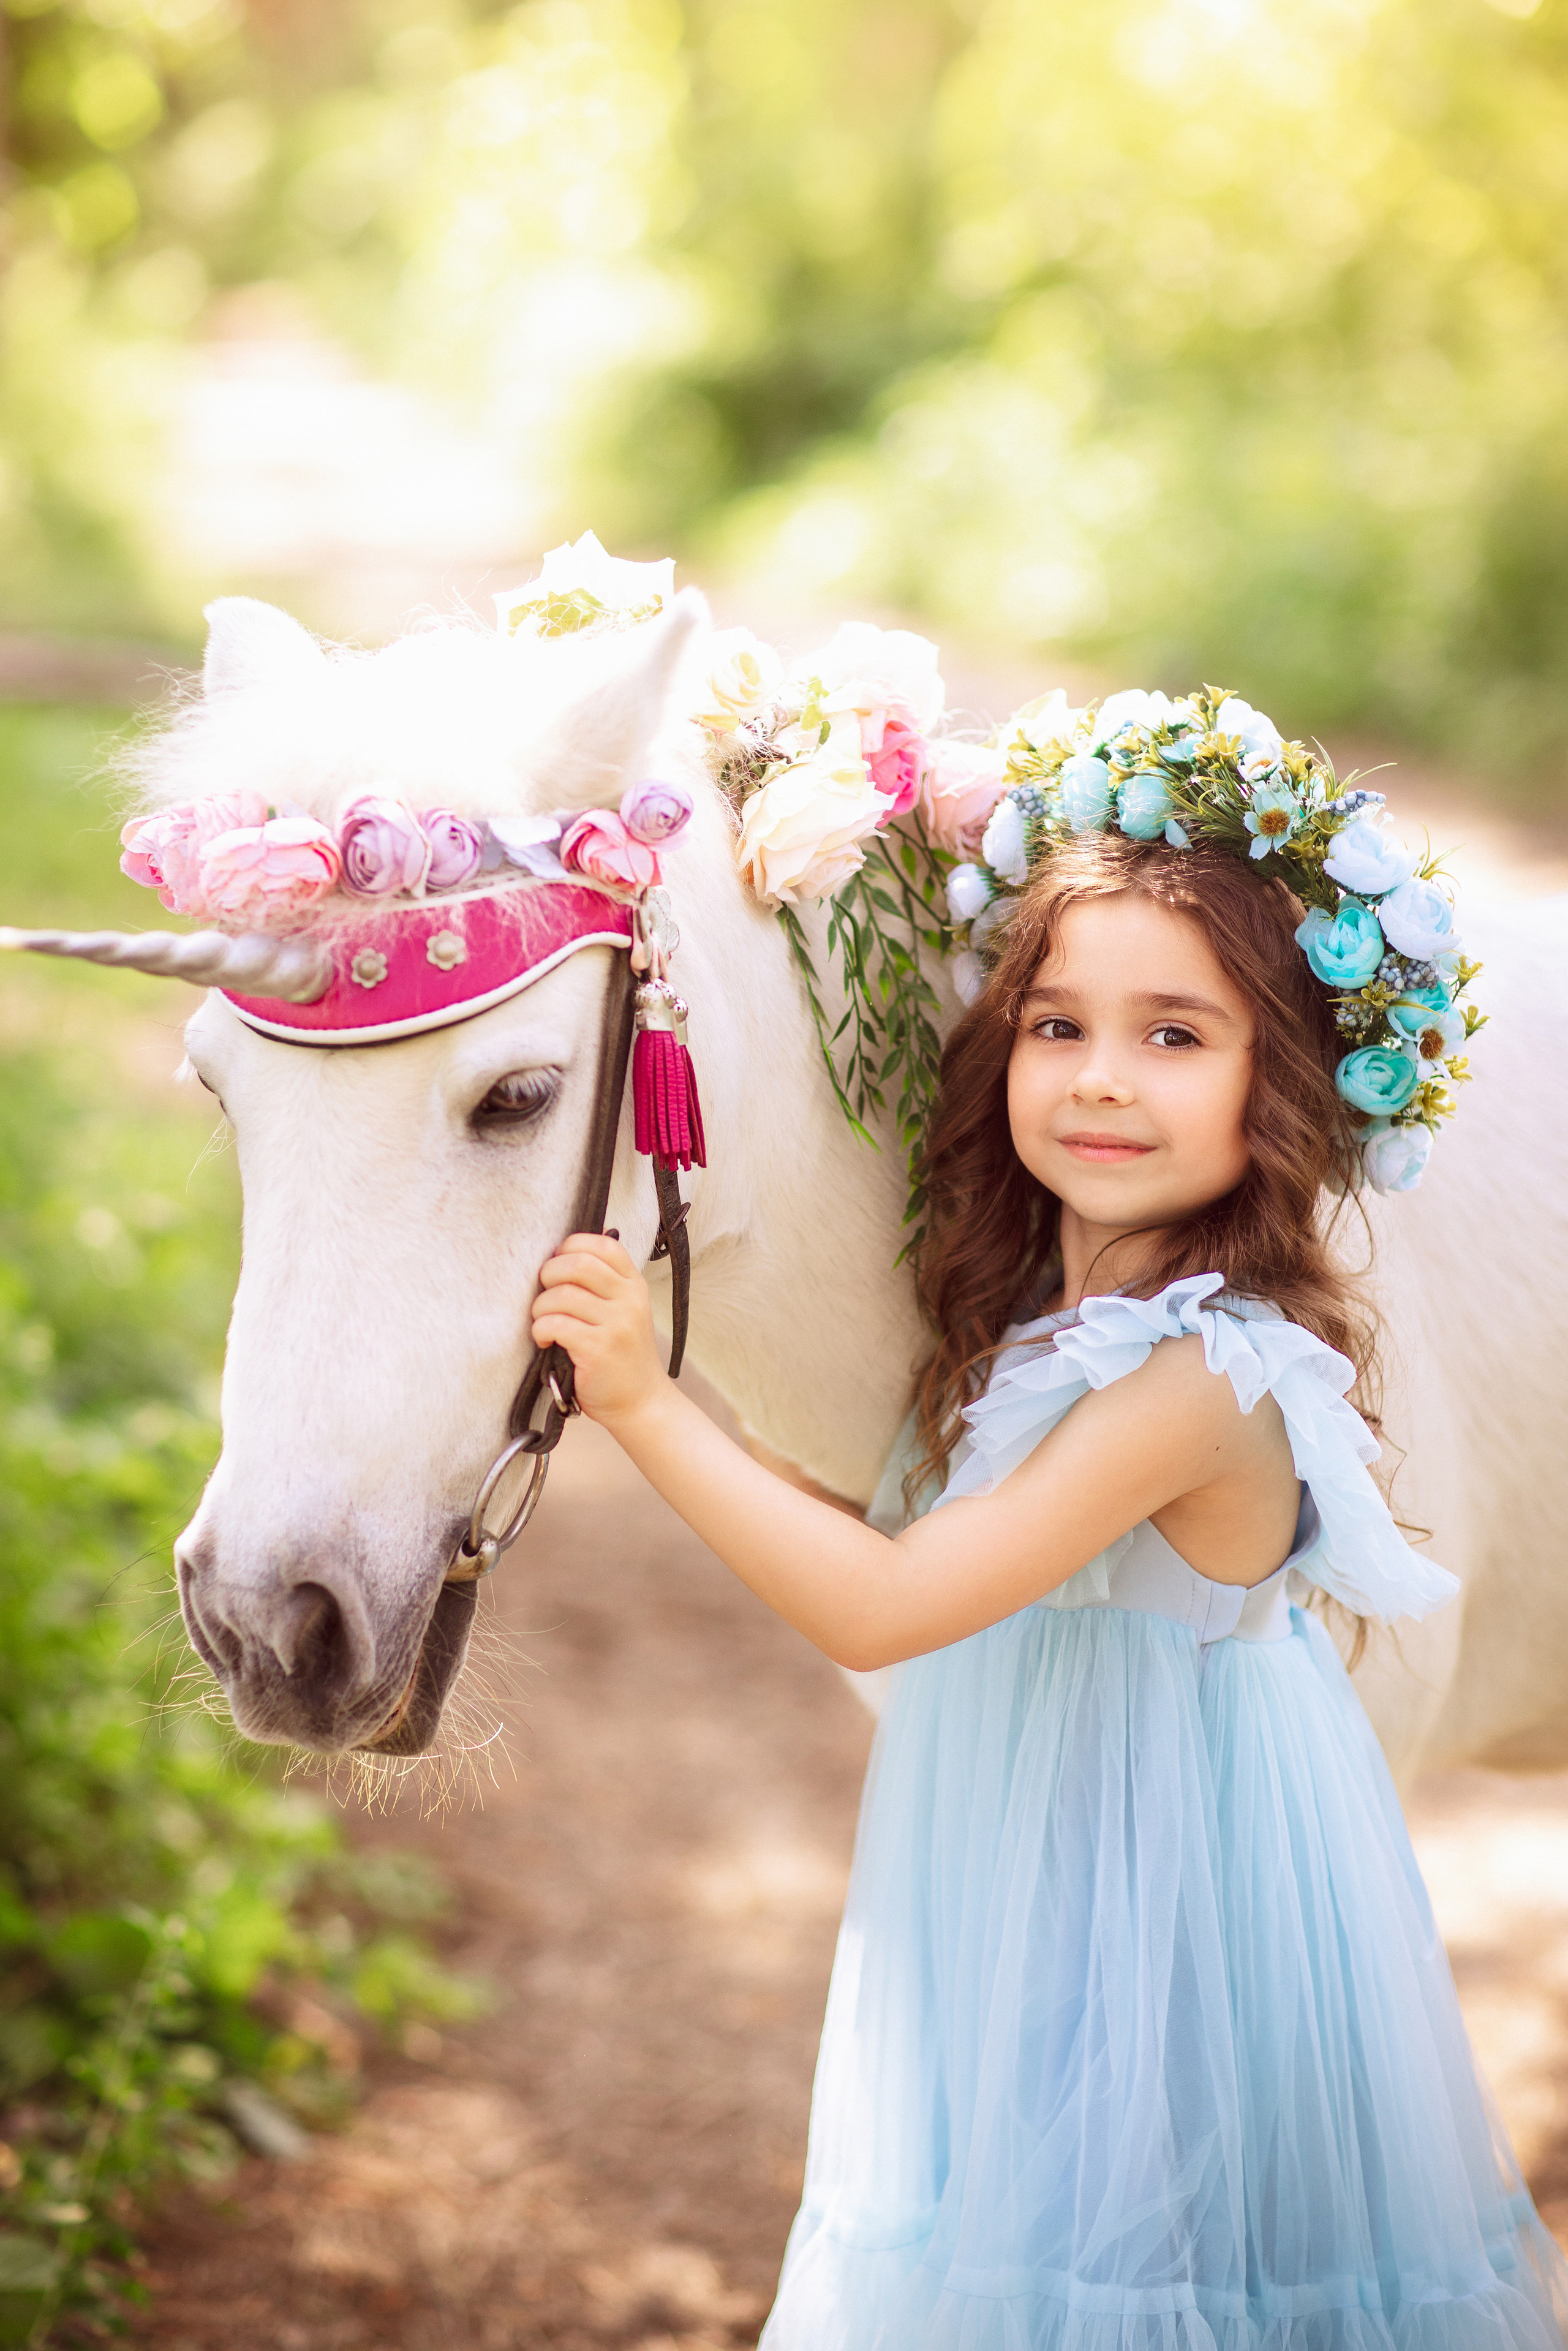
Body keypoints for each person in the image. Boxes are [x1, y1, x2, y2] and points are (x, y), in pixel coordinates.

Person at [532, 828, 1568, 2349]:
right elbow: (898, 1517)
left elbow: (882, 1604)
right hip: (1054, 1877)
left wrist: (645, 1402)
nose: (1098, 1075)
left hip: (1172, 1914)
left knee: (1152, 2283)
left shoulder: (1201, 1370)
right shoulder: (1050, 1323)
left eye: (1173, 1034)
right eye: (1057, 1024)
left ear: (1271, 1084)